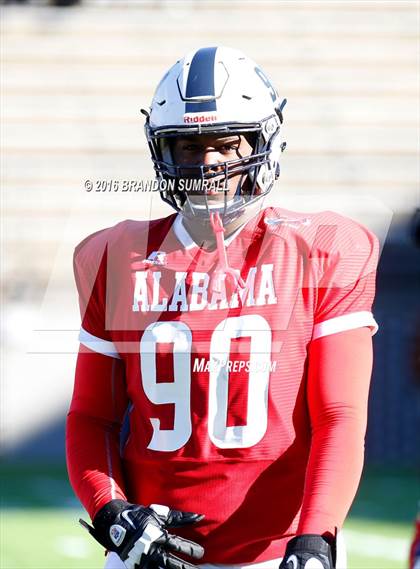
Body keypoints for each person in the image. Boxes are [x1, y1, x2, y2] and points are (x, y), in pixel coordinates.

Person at [66, 46, 379, 569]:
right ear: (162, 153)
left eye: (226, 144)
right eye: (188, 146)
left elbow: (339, 417)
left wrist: (315, 538)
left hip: (281, 553)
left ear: (263, 143)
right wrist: (112, 509)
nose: (207, 162)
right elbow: (90, 416)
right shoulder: (116, 257)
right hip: (150, 550)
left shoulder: (326, 248)